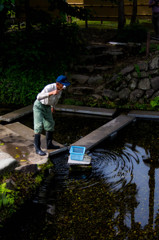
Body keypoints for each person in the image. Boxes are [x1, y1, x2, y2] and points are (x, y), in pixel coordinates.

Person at [33, 75, 70, 156]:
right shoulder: (49, 87)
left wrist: (52, 106)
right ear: (57, 84)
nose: (64, 86)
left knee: (50, 124)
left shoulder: (61, 88)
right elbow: (38, 97)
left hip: (47, 107)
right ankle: (37, 149)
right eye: (62, 84)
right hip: (39, 106)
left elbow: (56, 99)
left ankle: (49, 145)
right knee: (38, 126)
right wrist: (50, 93)